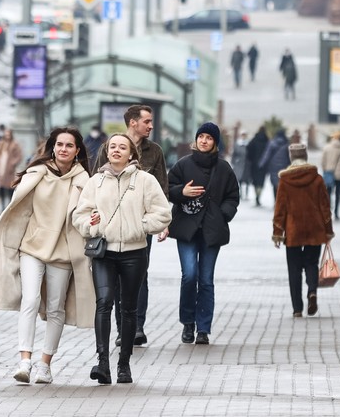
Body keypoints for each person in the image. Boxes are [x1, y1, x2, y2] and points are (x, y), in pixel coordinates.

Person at [0, 127, 94, 385]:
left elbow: (87, 214)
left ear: (77, 150)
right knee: (31, 299)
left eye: (69, 145)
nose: (64, 149)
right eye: (59, 144)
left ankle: (44, 365)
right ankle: (24, 360)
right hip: (32, 247)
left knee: (56, 308)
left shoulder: (84, 181)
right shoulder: (37, 174)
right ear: (53, 147)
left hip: (63, 251)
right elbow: (20, 209)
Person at [73, 134, 171, 385]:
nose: (116, 150)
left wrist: (140, 226)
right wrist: (91, 225)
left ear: (131, 154)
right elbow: (80, 216)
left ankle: (124, 364)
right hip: (104, 253)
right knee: (104, 303)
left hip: (134, 252)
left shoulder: (145, 181)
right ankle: (103, 362)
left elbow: (162, 213)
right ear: (106, 152)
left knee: (128, 308)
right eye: (112, 146)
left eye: (122, 147)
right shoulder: (95, 182)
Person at [94, 104, 168, 347]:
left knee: (139, 276)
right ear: (132, 122)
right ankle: (120, 329)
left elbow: (161, 189)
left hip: (139, 226)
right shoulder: (110, 147)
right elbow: (94, 184)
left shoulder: (154, 151)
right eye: (147, 121)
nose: (151, 125)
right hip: (110, 226)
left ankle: (136, 326)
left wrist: (159, 224)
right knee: (114, 279)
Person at [167, 122, 240, 345]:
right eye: (201, 137)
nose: (204, 141)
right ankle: (188, 322)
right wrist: (183, 191)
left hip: (211, 230)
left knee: (206, 280)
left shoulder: (224, 168)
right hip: (187, 229)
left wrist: (222, 215)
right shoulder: (183, 165)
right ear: (196, 140)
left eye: (209, 138)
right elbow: (168, 190)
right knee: (189, 276)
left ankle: (203, 328)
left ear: (215, 143)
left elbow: (233, 196)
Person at [272, 143, 334, 318]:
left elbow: (280, 209)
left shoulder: (285, 181)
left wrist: (278, 232)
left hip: (293, 230)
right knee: (311, 264)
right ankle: (312, 292)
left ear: (291, 158)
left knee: (294, 269)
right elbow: (325, 207)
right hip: (315, 228)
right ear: (305, 157)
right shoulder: (317, 179)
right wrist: (328, 231)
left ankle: (297, 309)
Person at [321, 131, 340, 221]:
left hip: (329, 173)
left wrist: (325, 170)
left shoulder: (326, 148)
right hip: (339, 174)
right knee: (338, 194)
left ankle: (328, 212)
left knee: (327, 193)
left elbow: (322, 162)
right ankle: (336, 213)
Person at [0, 129, 23, 210]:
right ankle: (3, 207)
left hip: (10, 170)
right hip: (1, 168)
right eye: (6, 134)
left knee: (10, 189)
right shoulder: (1, 144)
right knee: (2, 189)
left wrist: (12, 163)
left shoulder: (14, 144)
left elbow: (19, 156)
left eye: (8, 134)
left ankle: (10, 207)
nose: (7, 136)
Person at [259, 128, 291, 201]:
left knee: (274, 184)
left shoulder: (272, 143)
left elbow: (267, 154)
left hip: (273, 166)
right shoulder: (286, 144)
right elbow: (289, 156)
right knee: (282, 184)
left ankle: (276, 201)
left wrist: (262, 164)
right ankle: (281, 200)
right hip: (284, 166)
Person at [246, 126, 269, 206]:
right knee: (261, 181)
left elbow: (248, 149)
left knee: (255, 181)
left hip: (254, 164)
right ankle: (259, 196)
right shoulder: (267, 140)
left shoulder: (254, 139)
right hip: (264, 165)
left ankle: (257, 195)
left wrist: (250, 159)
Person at [231, 130, 250, 200]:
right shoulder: (237, 144)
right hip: (238, 164)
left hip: (246, 165)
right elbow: (234, 154)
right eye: (242, 135)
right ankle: (241, 193)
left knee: (247, 180)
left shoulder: (248, 144)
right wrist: (233, 162)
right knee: (239, 180)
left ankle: (247, 194)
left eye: (244, 135)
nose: (243, 136)